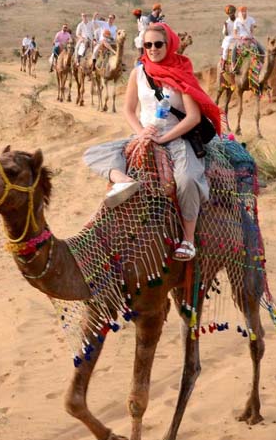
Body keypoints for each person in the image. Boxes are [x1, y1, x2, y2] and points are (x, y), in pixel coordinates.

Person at [82, 23, 222, 261]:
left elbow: (193, 117)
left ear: (169, 45)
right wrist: (142, 134)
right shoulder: (139, 73)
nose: (153, 49)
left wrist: (164, 138)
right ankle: (124, 181)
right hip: (144, 134)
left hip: (176, 137)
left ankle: (188, 240)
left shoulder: (182, 73)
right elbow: (128, 110)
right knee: (93, 154)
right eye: (148, 45)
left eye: (158, 44)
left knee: (187, 179)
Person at [220, 4, 237, 70]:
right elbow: (226, 34)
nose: (231, 14)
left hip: (237, 38)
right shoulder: (227, 22)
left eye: (232, 12)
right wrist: (226, 26)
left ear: (234, 12)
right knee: (226, 49)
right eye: (229, 13)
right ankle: (223, 63)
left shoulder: (238, 21)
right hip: (229, 39)